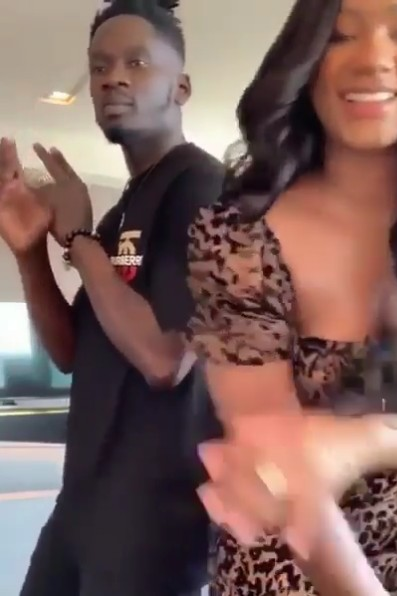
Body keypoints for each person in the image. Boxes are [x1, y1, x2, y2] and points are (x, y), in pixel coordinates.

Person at [185, 0, 397, 594]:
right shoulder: (238, 236)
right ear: (307, 60)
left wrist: (363, 441)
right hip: (284, 556)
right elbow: (273, 466)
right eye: (341, 35)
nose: (372, 59)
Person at [0, 1, 223, 595]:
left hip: (154, 524)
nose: (111, 78)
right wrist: (31, 251)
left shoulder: (202, 187)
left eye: (136, 63)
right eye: (99, 67)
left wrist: (78, 240)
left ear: (181, 88)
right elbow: (73, 351)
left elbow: (164, 357)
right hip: (81, 508)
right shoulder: (122, 210)